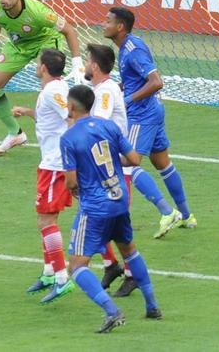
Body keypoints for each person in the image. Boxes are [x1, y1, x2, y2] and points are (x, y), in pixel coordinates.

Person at [103, 7, 195, 298]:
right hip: (153, 111)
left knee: (128, 165)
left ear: (120, 26)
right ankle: (187, 215)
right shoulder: (127, 47)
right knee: (162, 162)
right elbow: (137, 81)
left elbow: (156, 82)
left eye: (108, 21)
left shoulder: (132, 49)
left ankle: (166, 212)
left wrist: (126, 100)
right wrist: (118, 88)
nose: (103, 24)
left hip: (142, 116)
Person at [59, 85, 162, 334]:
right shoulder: (109, 126)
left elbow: (71, 182)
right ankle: (152, 306)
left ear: (72, 107)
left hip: (95, 208)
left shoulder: (69, 138)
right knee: (129, 250)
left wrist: (76, 188)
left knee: (76, 266)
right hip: (119, 200)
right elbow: (134, 159)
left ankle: (112, 312)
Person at [0, 0, 84, 156]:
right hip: (18, 45)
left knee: (50, 86)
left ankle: (74, 132)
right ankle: (15, 134)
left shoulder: (38, 12)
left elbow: (68, 30)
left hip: (45, 41)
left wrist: (77, 63)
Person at [11, 49, 77, 305]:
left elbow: (70, 117)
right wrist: (28, 112)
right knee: (48, 217)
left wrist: (72, 152)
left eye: (38, 63)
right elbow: (53, 118)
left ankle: (62, 278)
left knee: (45, 219)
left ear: (44, 68)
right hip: (51, 163)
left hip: (55, 166)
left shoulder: (54, 92)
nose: (36, 66)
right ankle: (50, 273)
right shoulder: (54, 89)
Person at [84, 43, 133, 291]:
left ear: (94, 65)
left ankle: (132, 273)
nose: (84, 63)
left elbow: (99, 124)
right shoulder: (104, 88)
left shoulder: (104, 92)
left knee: (113, 223)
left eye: (86, 59)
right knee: (97, 217)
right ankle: (111, 264)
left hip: (115, 171)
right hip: (105, 167)